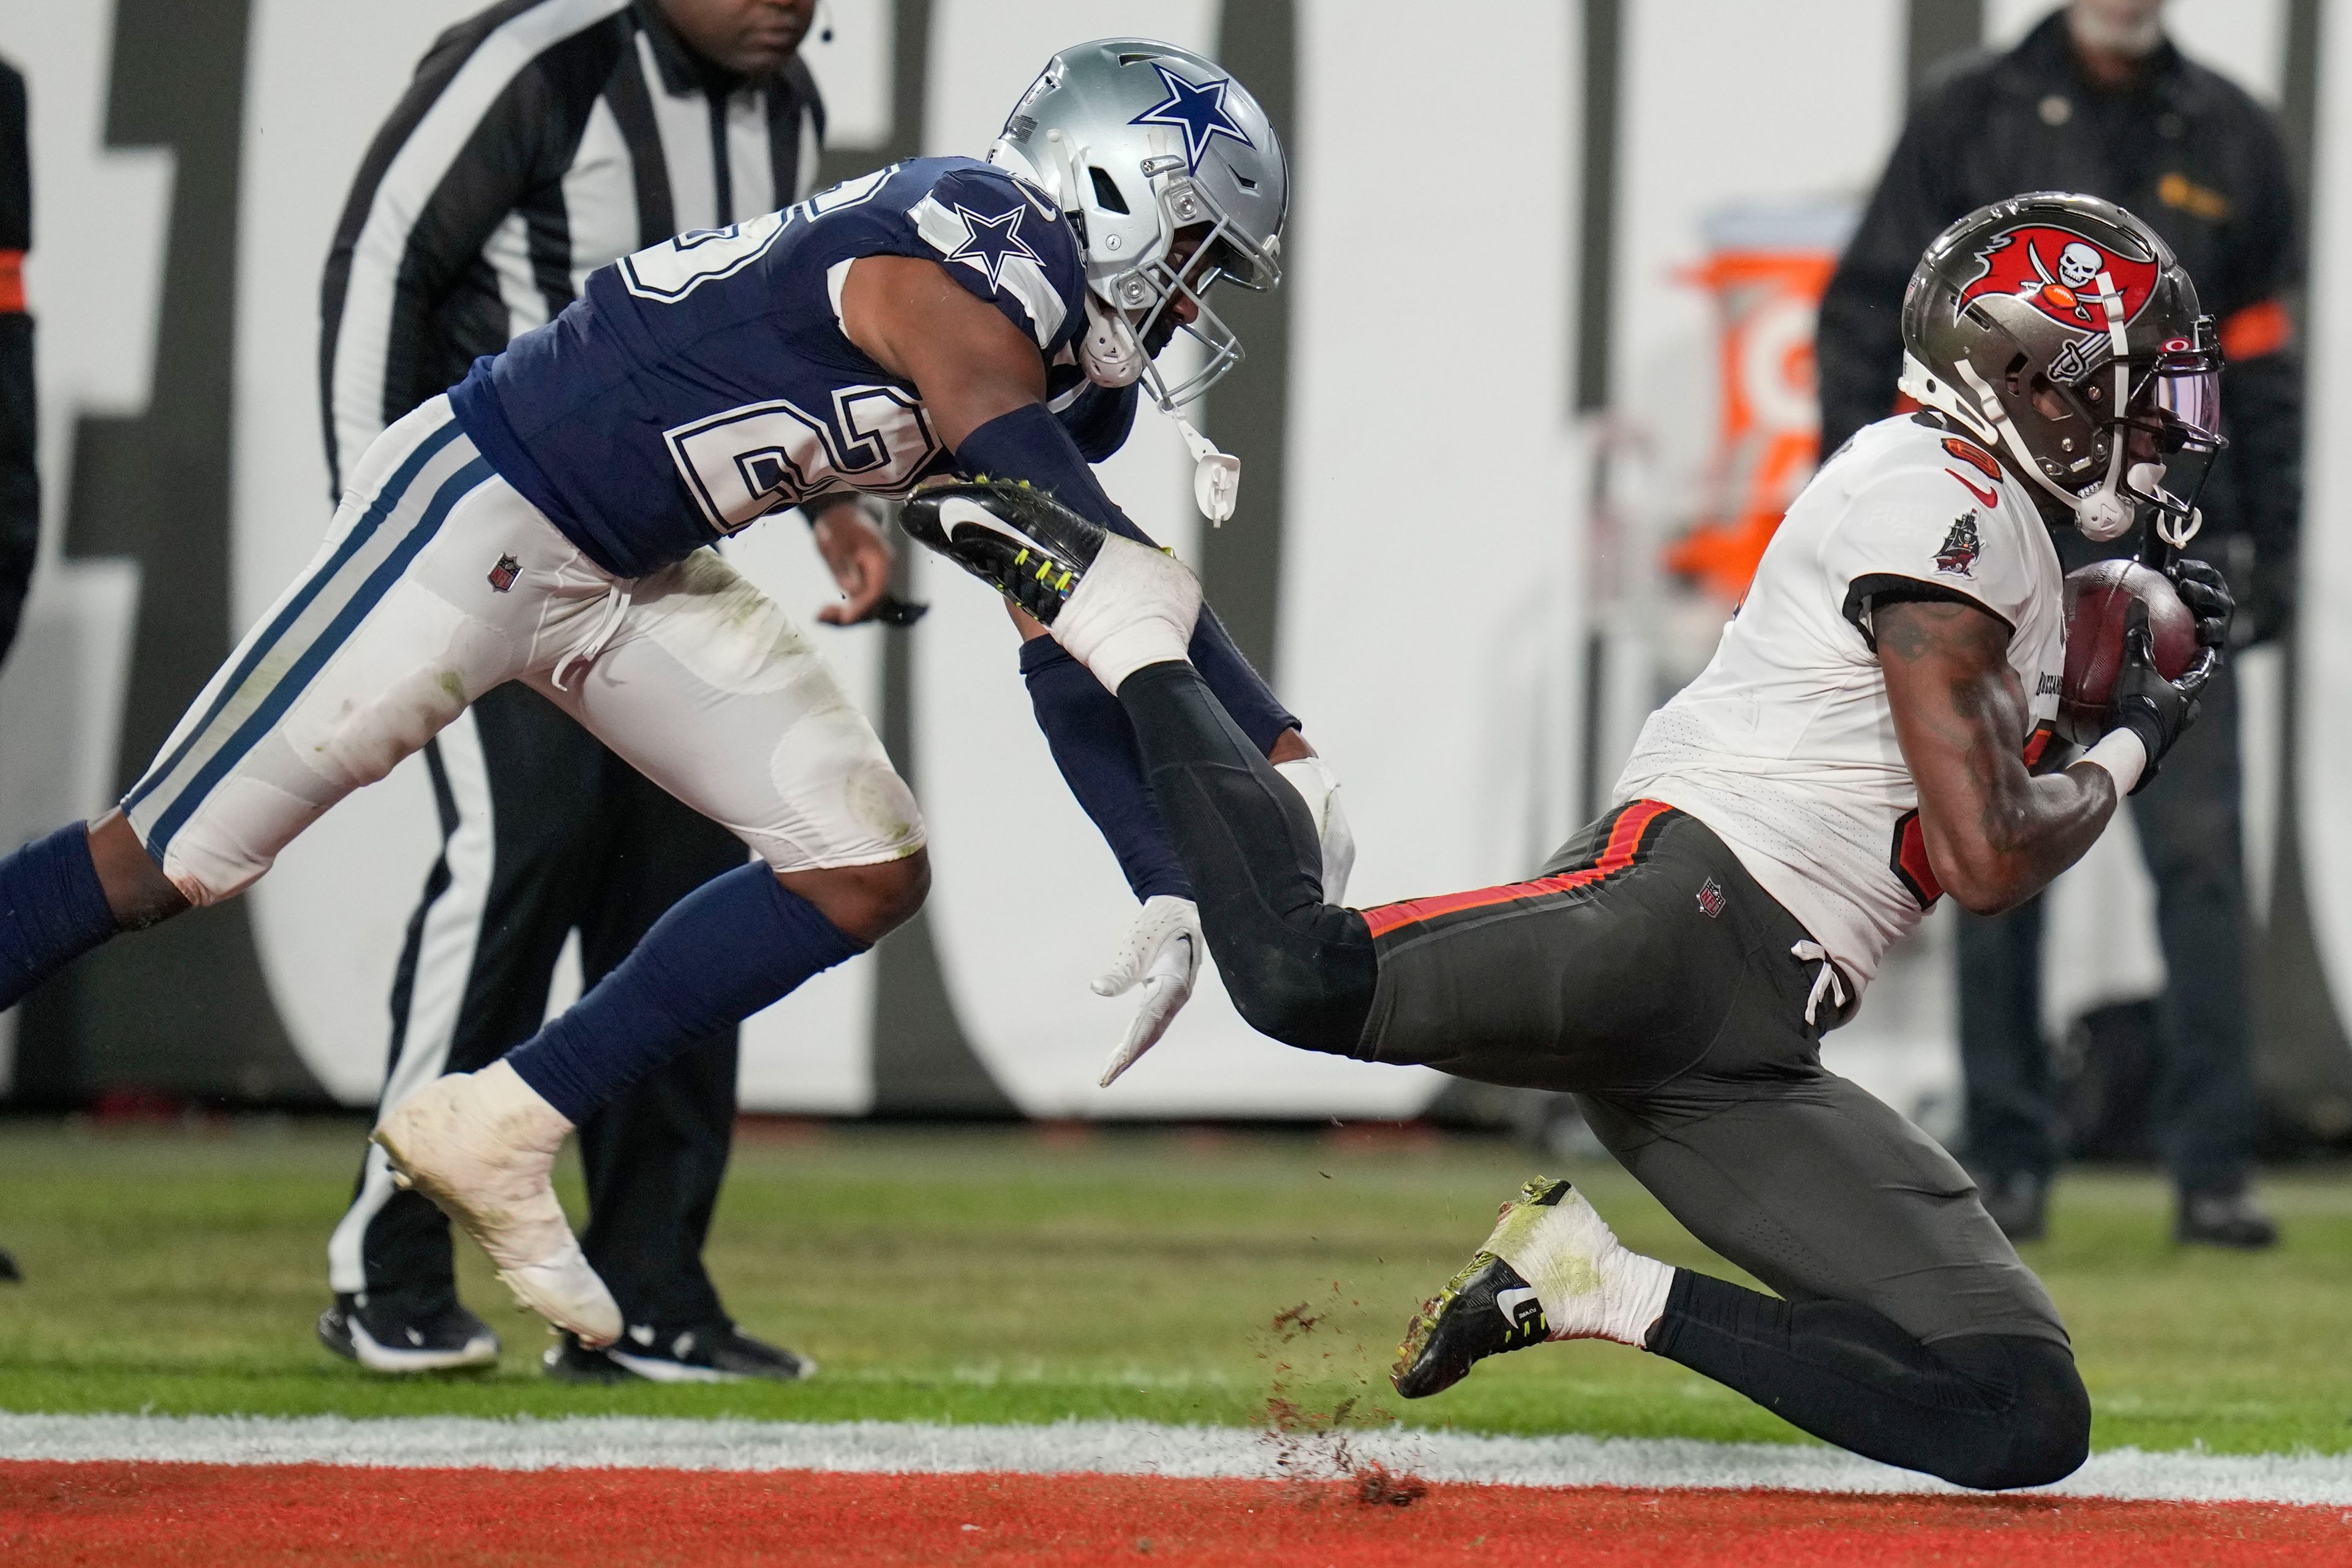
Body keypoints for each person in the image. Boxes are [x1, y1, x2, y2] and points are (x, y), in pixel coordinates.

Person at [0, 38, 1335, 1351]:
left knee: (861, 862)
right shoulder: (979, 238)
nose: (1194, 300)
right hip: (486, 506)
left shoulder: (1055, 382)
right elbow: (1096, 559)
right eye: (1198, 251)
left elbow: (1060, 621)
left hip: (635, 573)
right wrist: (1277, 750)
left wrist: (1161, 865)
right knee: (159, 861)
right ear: (1111, 185)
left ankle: (504, 1123)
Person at [905, 192, 2233, 1491]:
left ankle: (1595, 1281)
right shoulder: (1937, 491)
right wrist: (2131, 737)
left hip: (1753, 1049)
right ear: (2036, 375)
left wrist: (2088, 712)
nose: (2156, 427)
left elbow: (1983, 796)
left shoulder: (2001, 536)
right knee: (1299, 973)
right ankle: (1136, 625)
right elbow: (1991, 854)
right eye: (2131, 386)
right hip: (1681, 921)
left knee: (2018, 1406)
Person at [315, 0, 869, 1385]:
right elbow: (382, 263)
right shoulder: (536, 64)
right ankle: (386, 1262)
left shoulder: (785, 101)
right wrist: (372, 532)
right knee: (522, 845)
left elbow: (772, 337)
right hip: (487, 549)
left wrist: (836, 512)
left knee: (698, 872)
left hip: (661, 567)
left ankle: (652, 1285)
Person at [1816, 0, 2296, 1248]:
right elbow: (1868, 311)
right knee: (1993, 829)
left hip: (2172, 532)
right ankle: (2009, 1149)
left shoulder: (2234, 130)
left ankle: (2213, 1165)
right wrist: (1867, 501)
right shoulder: (1969, 114)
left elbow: (2262, 358)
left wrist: (2273, 544)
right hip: (2004, 531)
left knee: (2199, 860)